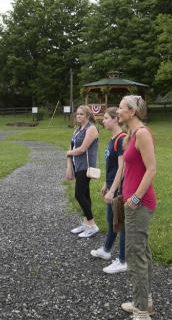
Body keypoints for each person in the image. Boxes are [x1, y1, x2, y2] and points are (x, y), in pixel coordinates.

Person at [118, 95, 157, 319]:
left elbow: (151, 169)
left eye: (121, 108)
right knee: (141, 252)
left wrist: (134, 198)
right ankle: (145, 301)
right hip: (132, 202)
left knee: (135, 254)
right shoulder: (132, 134)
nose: (118, 112)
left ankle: (141, 312)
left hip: (139, 204)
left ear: (132, 112)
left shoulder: (142, 133)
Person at [90, 106, 128, 274]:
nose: (103, 121)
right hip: (112, 185)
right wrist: (106, 184)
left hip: (120, 189)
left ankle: (123, 259)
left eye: (106, 118)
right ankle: (106, 251)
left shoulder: (121, 139)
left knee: (121, 223)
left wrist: (113, 190)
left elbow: (122, 168)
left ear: (116, 119)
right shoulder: (112, 139)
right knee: (111, 220)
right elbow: (111, 167)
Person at [65, 105, 100, 238]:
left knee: (79, 195)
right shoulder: (78, 129)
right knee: (85, 194)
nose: (78, 116)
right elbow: (72, 146)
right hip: (77, 165)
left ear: (87, 115)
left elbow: (82, 149)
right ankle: (86, 223)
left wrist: (68, 153)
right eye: (77, 114)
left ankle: (92, 225)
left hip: (86, 166)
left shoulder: (91, 129)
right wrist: (69, 163)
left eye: (81, 114)